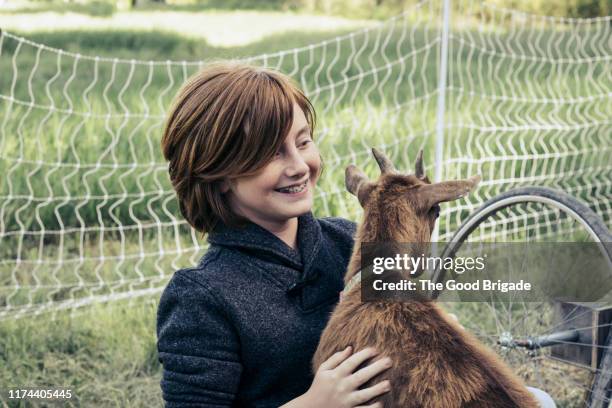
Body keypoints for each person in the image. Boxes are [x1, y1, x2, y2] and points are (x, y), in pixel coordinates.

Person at [157, 62, 393, 407]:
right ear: (217, 173)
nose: (298, 166)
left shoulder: (348, 242)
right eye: (271, 153)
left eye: (303, 142)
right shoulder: (201, 298)